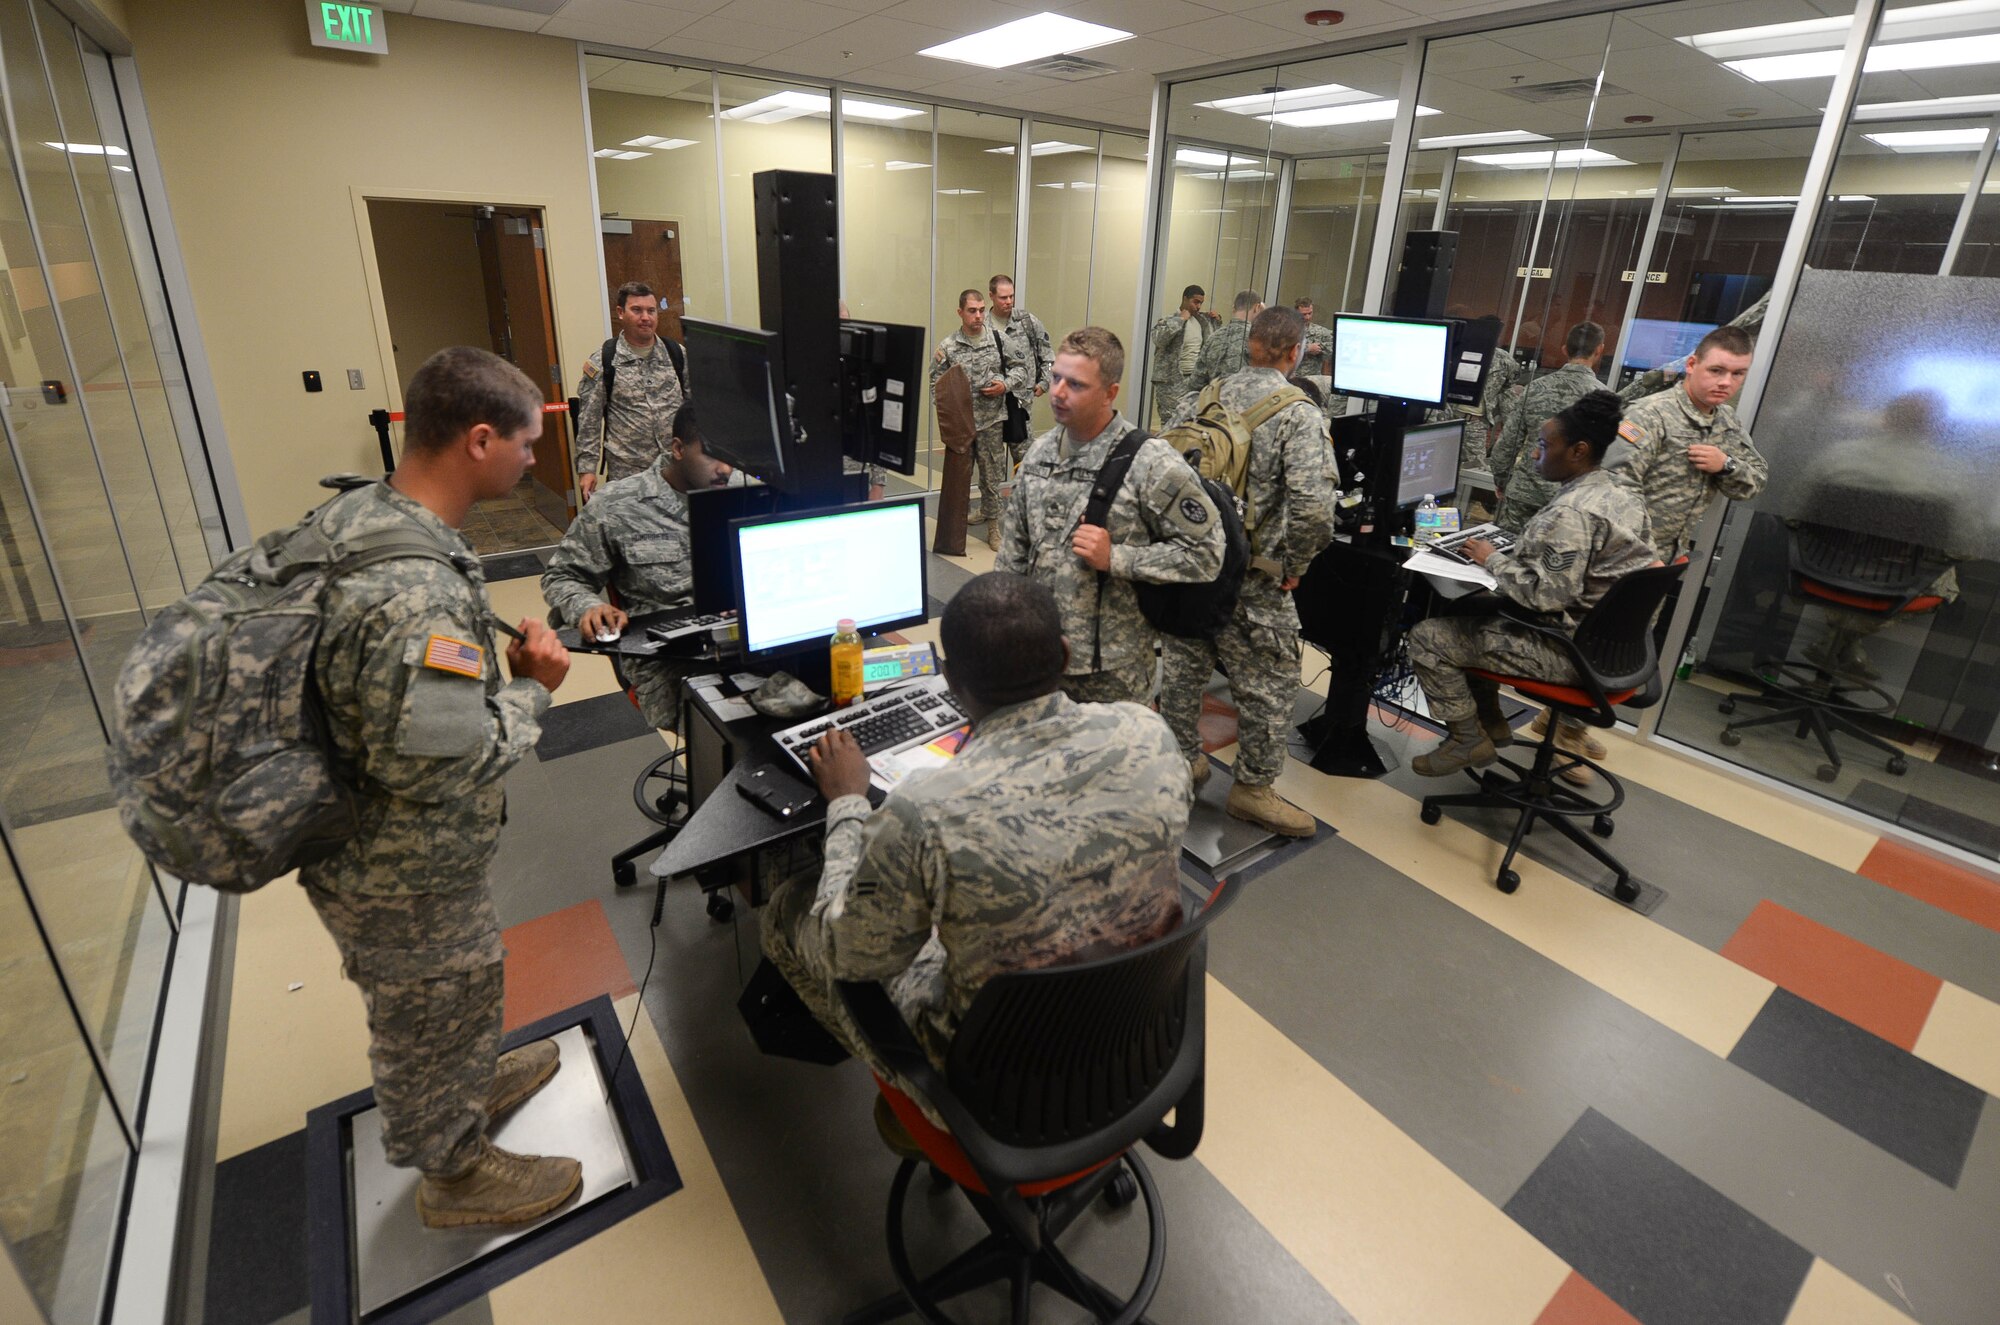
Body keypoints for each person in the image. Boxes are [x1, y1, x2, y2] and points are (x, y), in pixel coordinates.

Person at [303, 346, 579, 1228]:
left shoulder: (378, 514)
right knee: (428, 1002)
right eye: (528, 445)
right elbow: (447, 762)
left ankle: (465, 1079)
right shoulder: (412, 592)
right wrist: (534, 688)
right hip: (396, 866)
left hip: (388, 838)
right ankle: (452, 1172)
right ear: (479, 439)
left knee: (456, 990)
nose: (536, 458)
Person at [759, 572, 1189, 1126]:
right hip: (1136, 1040)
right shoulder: (1147, 731)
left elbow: (849, 956)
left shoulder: (923, 809)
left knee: (791, 909)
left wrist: (847, 802)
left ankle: (906, 1089)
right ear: (1064, 653)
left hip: (997, 1093)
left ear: (952, 681)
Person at [1407, 390, 1658, 777]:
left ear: (1578, 451)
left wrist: (1490, 559)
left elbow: (1546, 596)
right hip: (1614, 649)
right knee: (1473, 615)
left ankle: (1467, 738)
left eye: (1543, 446)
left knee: (1429, 638)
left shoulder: (1572, 512)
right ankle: (1490, 723)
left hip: (1570, 651)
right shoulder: (1623, 495)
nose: (1533, 455)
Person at [1159, 306, 1333, 837]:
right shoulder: (1299, 415)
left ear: (1249, 344)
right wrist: (1295, 565)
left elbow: (1162, 469)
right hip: (1256, 579)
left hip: (1192, 568)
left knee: (1185, 668)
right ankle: (1253, 790)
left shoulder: (1203, 396)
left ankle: (1184, 760)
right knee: (1272, 683)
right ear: (1294, 352)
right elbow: (1315, 508)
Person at [994, 327, 1224, 706]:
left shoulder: (1149, 463)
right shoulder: (1038, 455)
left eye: (1076, 384)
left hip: (1112, 673)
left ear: (1110, 393)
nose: (1058, 392)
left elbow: (1207, 553)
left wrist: (1116, 558)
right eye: (1055, 378)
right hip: (1040, 659)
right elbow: (1013, 556)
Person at [540, 402, 733, 732]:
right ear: (678, 449)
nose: (725, 469)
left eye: (733, 457)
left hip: (740, 639)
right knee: (738, 727)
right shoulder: (618, 504)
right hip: (667, 660)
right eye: (712, 455)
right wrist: (590, 607)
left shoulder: (748, 493)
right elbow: (562, 575)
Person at [1606, 324, 1767, 561]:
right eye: (1716, 370)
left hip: (1667, 558)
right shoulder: (1649, 415)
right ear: (1691, 365)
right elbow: (1612, 491)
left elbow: (1756, 480)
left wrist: (1726, 465)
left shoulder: (1726, 420)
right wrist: (1645, 555)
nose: (1726, 382)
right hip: (1619, 555)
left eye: (1737, 374)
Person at [574, 281, 688, 500]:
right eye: (637, 310)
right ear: (620, 312)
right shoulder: (604, 360)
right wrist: (587, 468)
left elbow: (695, 408)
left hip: (674, 470)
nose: (645, 317)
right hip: (628, 474)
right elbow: (590, 418)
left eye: (651, 310)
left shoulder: (677, 354)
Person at [929, 288, 1022, 548]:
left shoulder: (999, 340)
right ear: (960, 312)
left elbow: (1021, 370)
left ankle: (994, 528)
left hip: (991, 421)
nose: (978, 315)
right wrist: (949, 415)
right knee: (957, 481)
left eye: (982, 310)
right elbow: (936, 384)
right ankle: (952, 535)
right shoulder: (948, 347)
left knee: (991, 478)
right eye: (972, 311)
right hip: (961, 426)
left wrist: (1004, 384)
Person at [1492, 321, 1607, 533]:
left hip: (1524, 495)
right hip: (1570, 502)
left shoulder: (1534, 388)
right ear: (1599, 350)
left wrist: (1502, 481)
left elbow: (1507, 444)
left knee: (1505, 555)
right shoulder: (1602, 400)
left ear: (1565, 350)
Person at [988, 274, 1053, 468]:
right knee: (991, 464)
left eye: (1011, 296)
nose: (1008, 302)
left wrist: (1045, 382)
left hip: (1021, 403)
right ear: (991, 295)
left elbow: (1048, 355)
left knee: (1025, 460)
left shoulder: (1027, 322)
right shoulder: (982, 325)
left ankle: (1022, 496)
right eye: (1003, 297)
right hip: (991, 407)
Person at [1149, 285, 1211, 426]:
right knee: (1170, 424)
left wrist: (1216, 320)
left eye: (1201, 303)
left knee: (1190, 424)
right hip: (1171, 383)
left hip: (1194, 380)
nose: (1198, 306)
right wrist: (1180, 320)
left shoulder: (1201, 322)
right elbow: (1158, 339)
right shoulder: (1169, 320)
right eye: (1195, 302)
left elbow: (1210, 345)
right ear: (1185, 298)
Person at [1189, 289, 1264, 393]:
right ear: (1257, 307)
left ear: (1234, 308)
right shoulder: (1258, 339)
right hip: (1245, 404)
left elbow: (1196, 383)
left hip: (1214, 404)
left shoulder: (1214, 338)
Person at [1293, 295, 1333, 377]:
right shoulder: (1287, 330)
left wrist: (1320, 348)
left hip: (1312, 379)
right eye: (1304, 314)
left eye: (1310, 313)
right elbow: (1281, 349)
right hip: (1291, 378)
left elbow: (1335, 345)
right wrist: (1307, 348)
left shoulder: (1320, 331)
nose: (1307, 317)